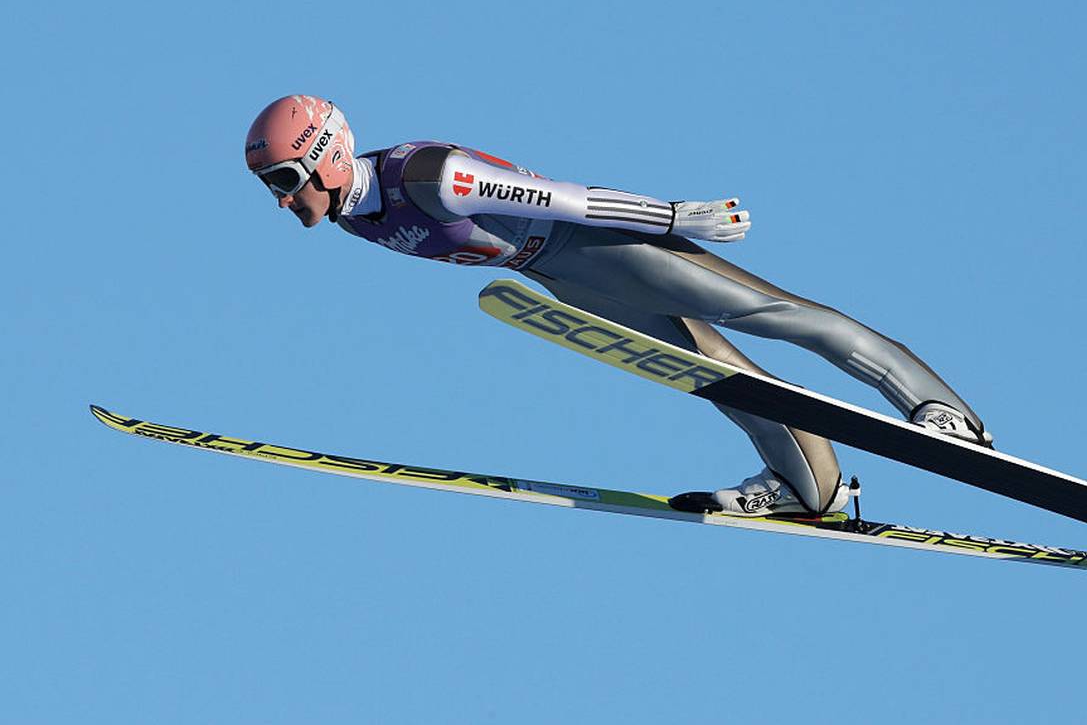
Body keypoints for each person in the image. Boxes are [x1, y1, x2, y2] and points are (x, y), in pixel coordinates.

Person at [244, 94, 992, 519]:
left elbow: (566, 196)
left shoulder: (427, 176)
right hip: (562, 280)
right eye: (270, 187)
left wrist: (673, 218)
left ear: (329, 154)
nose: (282, 200)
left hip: (602, 246)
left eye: (285, 178)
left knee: (767, 313)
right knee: (709, 373)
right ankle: (808, 484)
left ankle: (938, 410)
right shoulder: (353, 218)